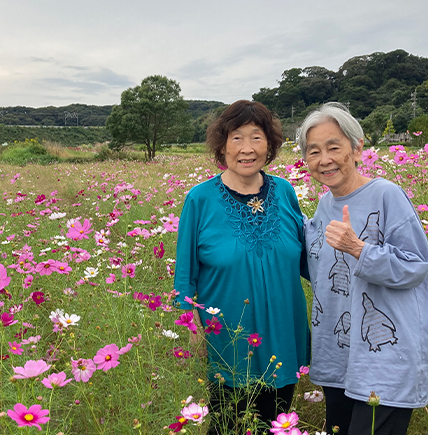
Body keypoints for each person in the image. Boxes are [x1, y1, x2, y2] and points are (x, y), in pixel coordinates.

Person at [174, 100, 310, 433]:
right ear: (222, 145)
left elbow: (310, 261)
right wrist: (193, 329)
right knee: (227, 427)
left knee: (274, 425)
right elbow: (184, 276)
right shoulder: (200, 199)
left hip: (283, 337)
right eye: (236, 138)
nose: (246, 148)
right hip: (229, 343)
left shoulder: (286, 193)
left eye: (256, 137)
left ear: (271, 145)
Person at [299, 102, 428, 435]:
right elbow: (319, 264)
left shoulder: (387, 195)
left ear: (357, 149)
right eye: (314, 151)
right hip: (339, 354)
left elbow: (416, 266)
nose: (324, 159)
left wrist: (358, 249)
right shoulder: (327, 203)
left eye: (333, 147)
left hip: (385, 357)